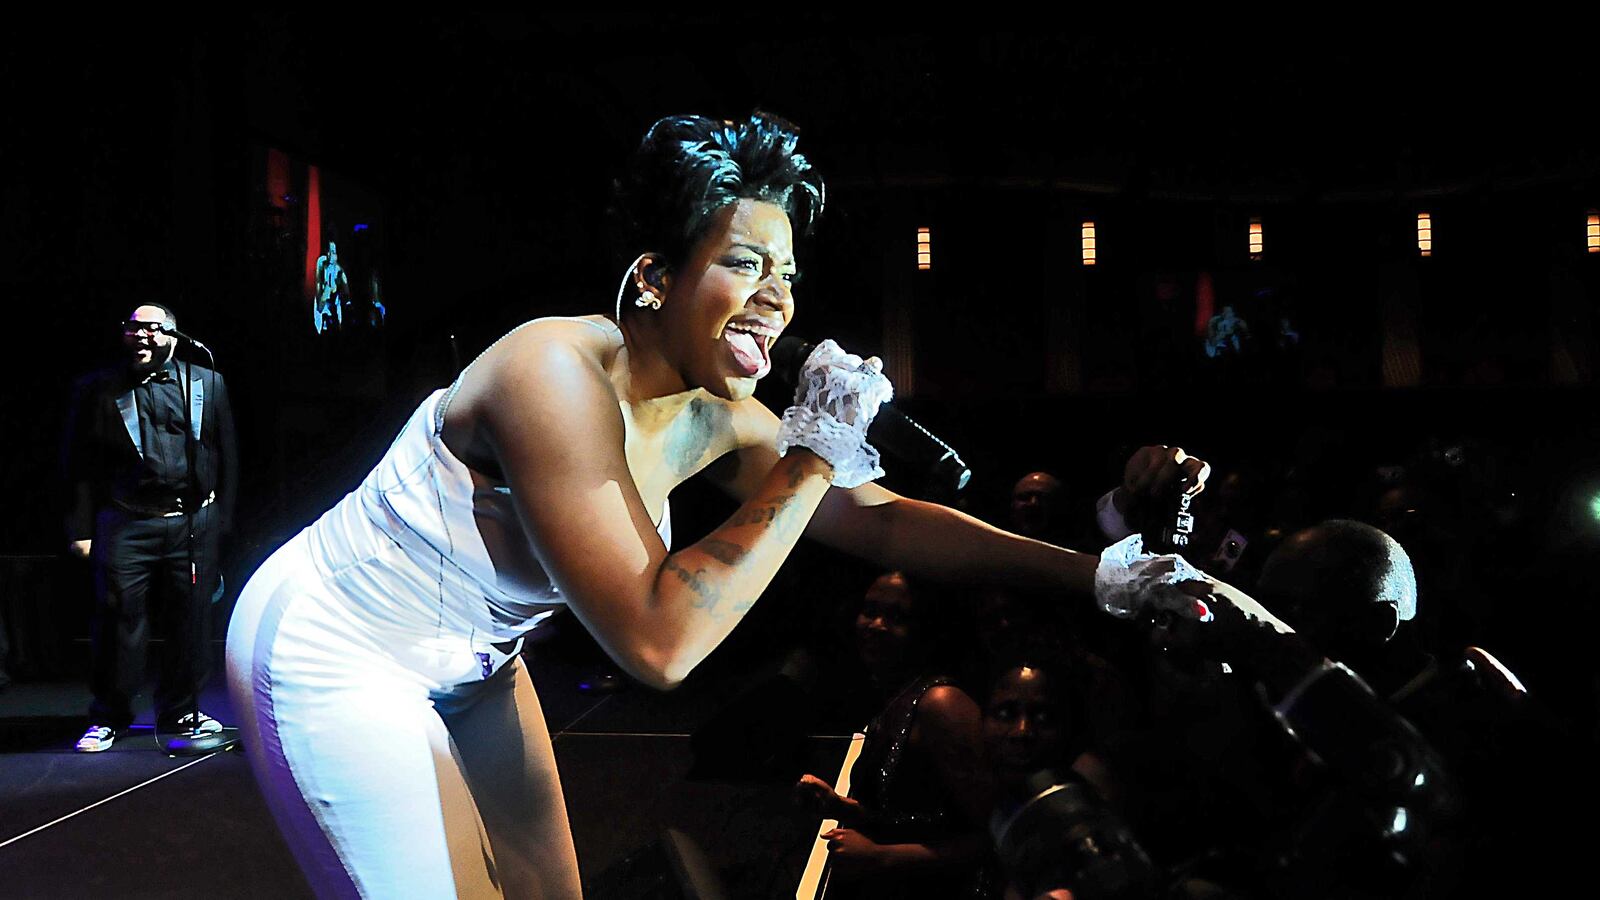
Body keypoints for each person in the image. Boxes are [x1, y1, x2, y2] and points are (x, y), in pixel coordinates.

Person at [225, 112, 1229, 899]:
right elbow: (658, 644)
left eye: (786, 274)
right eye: (745, 263)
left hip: (476, 657)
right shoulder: (553, 371)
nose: (777, 298)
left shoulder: (724, 419)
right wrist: (810, 458)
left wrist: (1098, 574)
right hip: (336, 644)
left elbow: (874, 518)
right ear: (654, 277)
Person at [64, 303, 237, 751]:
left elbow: (228, 455)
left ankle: (181, 712)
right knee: (120, 622)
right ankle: (109, 717)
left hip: (193, 522)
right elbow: (77, 465)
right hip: (127, 523)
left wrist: (221, 523)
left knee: (191, 622)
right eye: (131, 329)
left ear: (173, 337)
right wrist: (80, 530)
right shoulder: (99, 389)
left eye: (150, 329)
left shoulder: (207, 382)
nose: (138, 336)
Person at [794, 572, 994, 898]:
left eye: (897, 617)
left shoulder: (941, 704)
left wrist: (883, 857)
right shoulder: (896, 695)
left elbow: (994, 838)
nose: (876, 625)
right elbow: (915, 819)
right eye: (870, 610)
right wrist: (841, 806)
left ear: (927, 630)